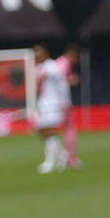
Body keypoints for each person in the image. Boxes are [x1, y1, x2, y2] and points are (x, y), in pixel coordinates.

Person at [31, 44, 70, 174]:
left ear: (45, 53)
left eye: (39, 52)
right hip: (42, 104)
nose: (36, 55)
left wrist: (66, 101)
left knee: (49, 131)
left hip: (53, 103)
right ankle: (63, 155)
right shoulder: (38, 68)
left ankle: (50, 162)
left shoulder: (52, 66)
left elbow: (62, 84)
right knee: (41, 131)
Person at [60, 44, 83, 169]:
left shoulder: (56, 63)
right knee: (69, 129)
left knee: (51, 131)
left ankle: (64, 156)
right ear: (73, 54)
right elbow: (61, 86)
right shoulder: (64, 65)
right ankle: (69, 158)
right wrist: (67, 103)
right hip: (61, 102)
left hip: (51, 102)